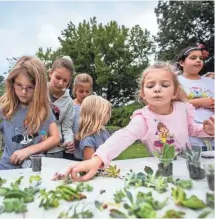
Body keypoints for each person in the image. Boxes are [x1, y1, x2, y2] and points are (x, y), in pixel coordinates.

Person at [64, 61, 215, 181]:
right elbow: (124, 135)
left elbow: (190, 129)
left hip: (186, 164)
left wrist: (205, 130)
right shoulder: (143, 118)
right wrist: (97, 159)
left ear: (175, 92)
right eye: (150, 86)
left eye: (164, 85)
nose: (157, 89)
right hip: (160, 168)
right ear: (143, 94)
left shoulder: (183, 109)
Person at [0, 56, 60, 170]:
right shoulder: (4, 107)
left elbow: (55, 138)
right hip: (8, 169)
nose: (24, 92)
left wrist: (29, 150)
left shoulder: (44, 108)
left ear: (39, 88)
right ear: (12, 83)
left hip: (36, 170)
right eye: (19, 85)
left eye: (30, 87)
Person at [176, 46, 215, 151]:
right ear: (181, 63)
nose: (198, 60)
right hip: (192, 140)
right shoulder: (175, 82)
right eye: (193, 58)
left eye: (201, 58)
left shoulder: (211, 82)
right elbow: (170, 106)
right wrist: (199, 102)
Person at [46, 56, 75, 158]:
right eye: (58, 77)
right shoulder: (38, 91)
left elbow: (67, 127)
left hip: (55, 150)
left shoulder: (69, 102)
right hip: (34, 145)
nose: (60, 83)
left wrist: (69, 141)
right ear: (50, 73)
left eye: (65, 80)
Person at [76, 95, 111, 160]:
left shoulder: (104, 132)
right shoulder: (88, 140)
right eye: (107, 112)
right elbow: (89, 164)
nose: (109, 115)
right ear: (96, 114)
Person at [72, 73, 93, 160]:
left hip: (91, 149)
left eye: (87, 91)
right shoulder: (70, 106)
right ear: (75, 90)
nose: (84, 94)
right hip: (74, 152)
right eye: (81, 91)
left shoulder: (93, 106)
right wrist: (72, 137)